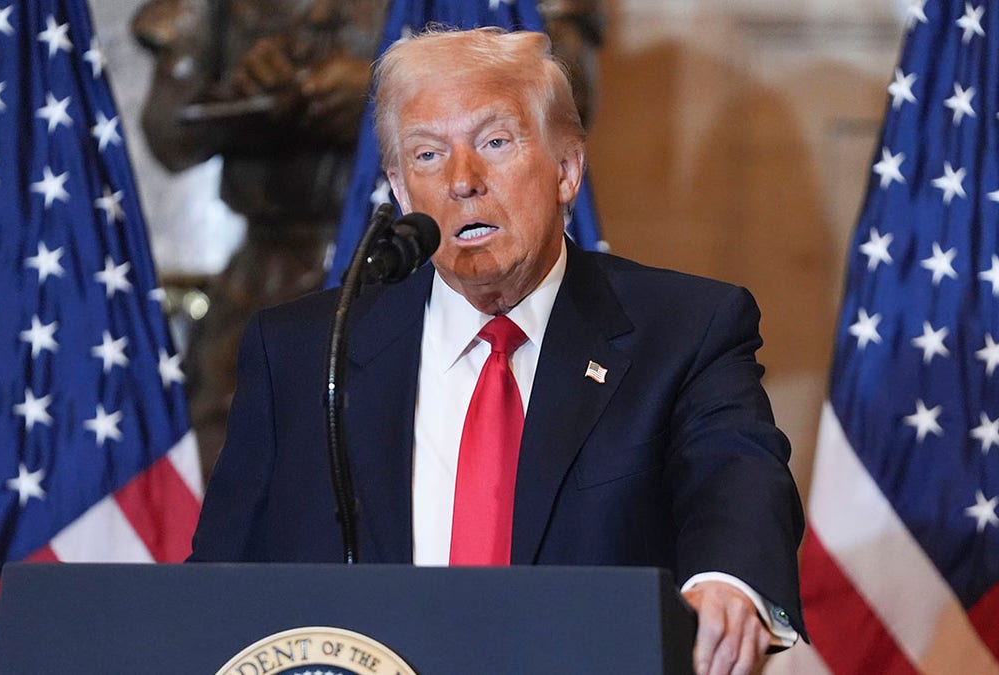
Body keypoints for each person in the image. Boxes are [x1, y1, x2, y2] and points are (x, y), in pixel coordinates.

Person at [190, 27, 806, 675]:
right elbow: (216, 588)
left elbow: (737, 475)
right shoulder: (306, 349)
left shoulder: (684, 329)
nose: (462, 180)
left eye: (494, 142)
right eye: (428, 156)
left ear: (567, 169)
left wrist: (728, 580)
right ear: (400, 192)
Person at [131, 0, 605, 481]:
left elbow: (569, 98)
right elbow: (168, 132)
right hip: (268, 270)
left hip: (435, 267)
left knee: (433, 469)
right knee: (236, 475)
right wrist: (248, 90)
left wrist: (382, 95)